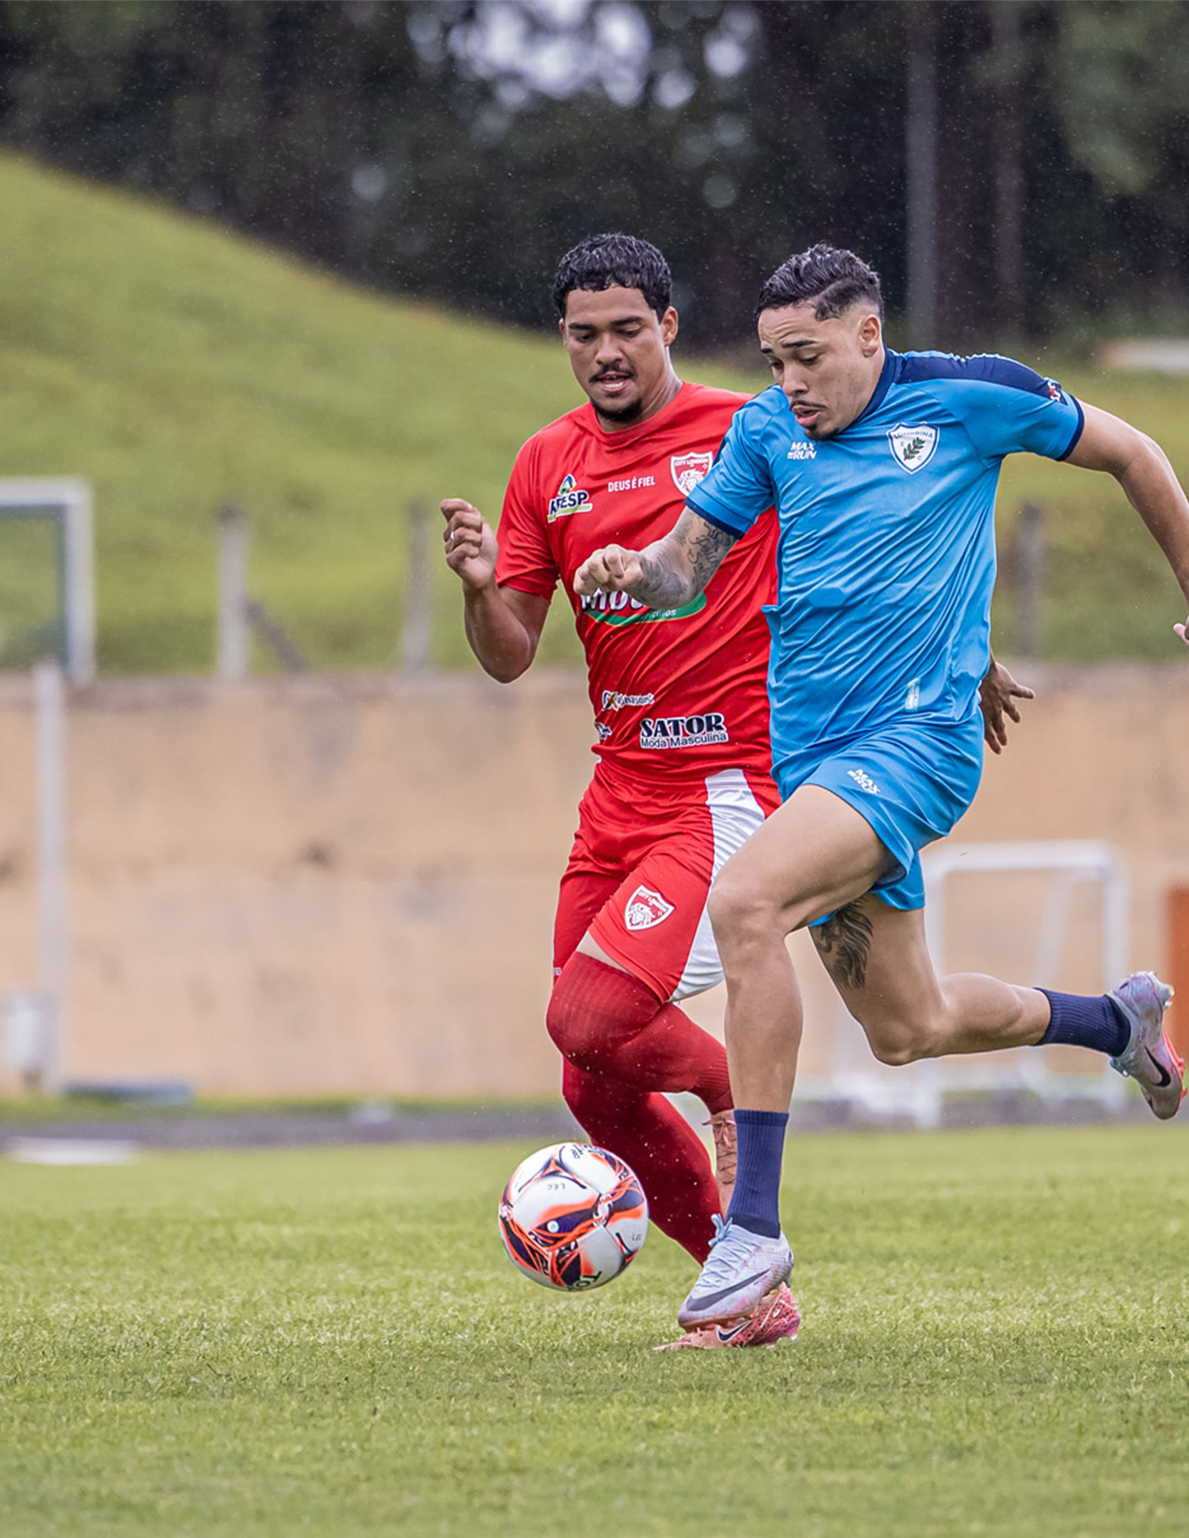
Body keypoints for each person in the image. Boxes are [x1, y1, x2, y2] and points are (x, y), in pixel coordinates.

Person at [571, 244, 1189, 1333]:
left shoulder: (972, 396)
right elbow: (684, 565)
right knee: (907, 1024)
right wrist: (632, 572)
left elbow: (1133, 451)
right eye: (772, 359)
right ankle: (1114, 1024)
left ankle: (751, 1226)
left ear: (868, 336)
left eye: (806, 356)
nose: (788, 382)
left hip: (917, 746)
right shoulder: (766, 431)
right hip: (813, 760)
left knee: (746, 904)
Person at [443, 234, 1033, 1350]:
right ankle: (748, 1298)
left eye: (627, 328)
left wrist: (967, 654)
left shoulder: (754, 424)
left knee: (592, 1013)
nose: (606, 352)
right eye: (583, 334)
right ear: (561, 340)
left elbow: (895, 527)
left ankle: (730, 1099)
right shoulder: (542, 466)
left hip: (731, 778)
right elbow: (510, 650)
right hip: (616, 787)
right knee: (591, 1082)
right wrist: (481, 590)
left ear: (667, 325)